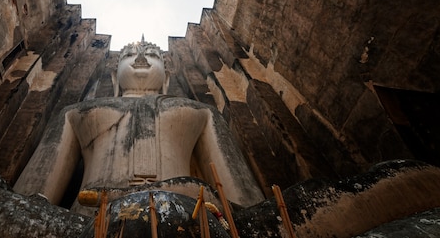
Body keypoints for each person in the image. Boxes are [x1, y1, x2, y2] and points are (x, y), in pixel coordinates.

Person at [14, 38, 264, 214]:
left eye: (153, 55)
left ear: (166, 78)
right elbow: (26, 206)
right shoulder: (77, 114)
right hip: (89, 219)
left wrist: (198, 194)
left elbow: (245, 208)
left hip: (185, 218)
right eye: (130, 55)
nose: (142, 57)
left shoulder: (200, 113)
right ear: (114, 77)